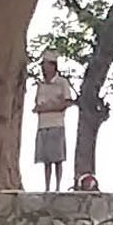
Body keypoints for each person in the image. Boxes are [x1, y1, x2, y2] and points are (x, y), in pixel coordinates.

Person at [32, 57, 73, 194]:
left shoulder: (62, 82)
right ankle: (47, 187)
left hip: (56, 124)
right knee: (46, 159)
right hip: (42, 124)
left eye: (46, 65)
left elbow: (66, 102)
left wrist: (50, 107)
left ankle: (58, 187)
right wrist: (49, 106)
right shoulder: (41, 84)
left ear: (53, 66)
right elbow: (37, 105)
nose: (44, 68)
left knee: (57, 158)